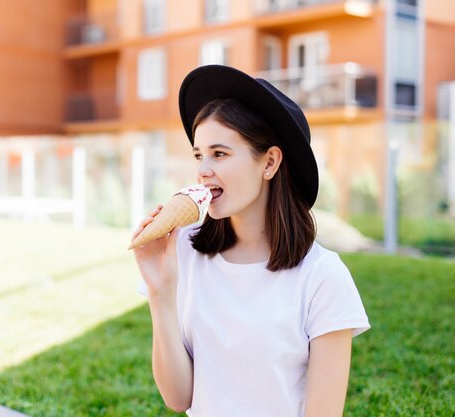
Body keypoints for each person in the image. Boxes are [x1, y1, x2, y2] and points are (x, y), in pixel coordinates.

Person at [131, 65, 370, 417]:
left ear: (270, 162)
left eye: (220, 153)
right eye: (199, 155)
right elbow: (179, 399)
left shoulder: (322, 277)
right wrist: (160, 292)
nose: (202, 170)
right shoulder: (184, 253)